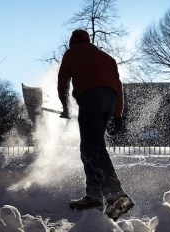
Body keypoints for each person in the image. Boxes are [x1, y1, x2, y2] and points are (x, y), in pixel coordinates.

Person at [57, 29, 134, 220]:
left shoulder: (71, 53)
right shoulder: (107, 58)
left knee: (93, 147)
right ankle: (93, 195)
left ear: (72, 42)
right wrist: (117, 116)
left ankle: (116, 195)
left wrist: (65, 106)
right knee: (89, 146)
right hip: (111, 100)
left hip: (91, 98)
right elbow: (118, 87)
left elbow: (62, 82)